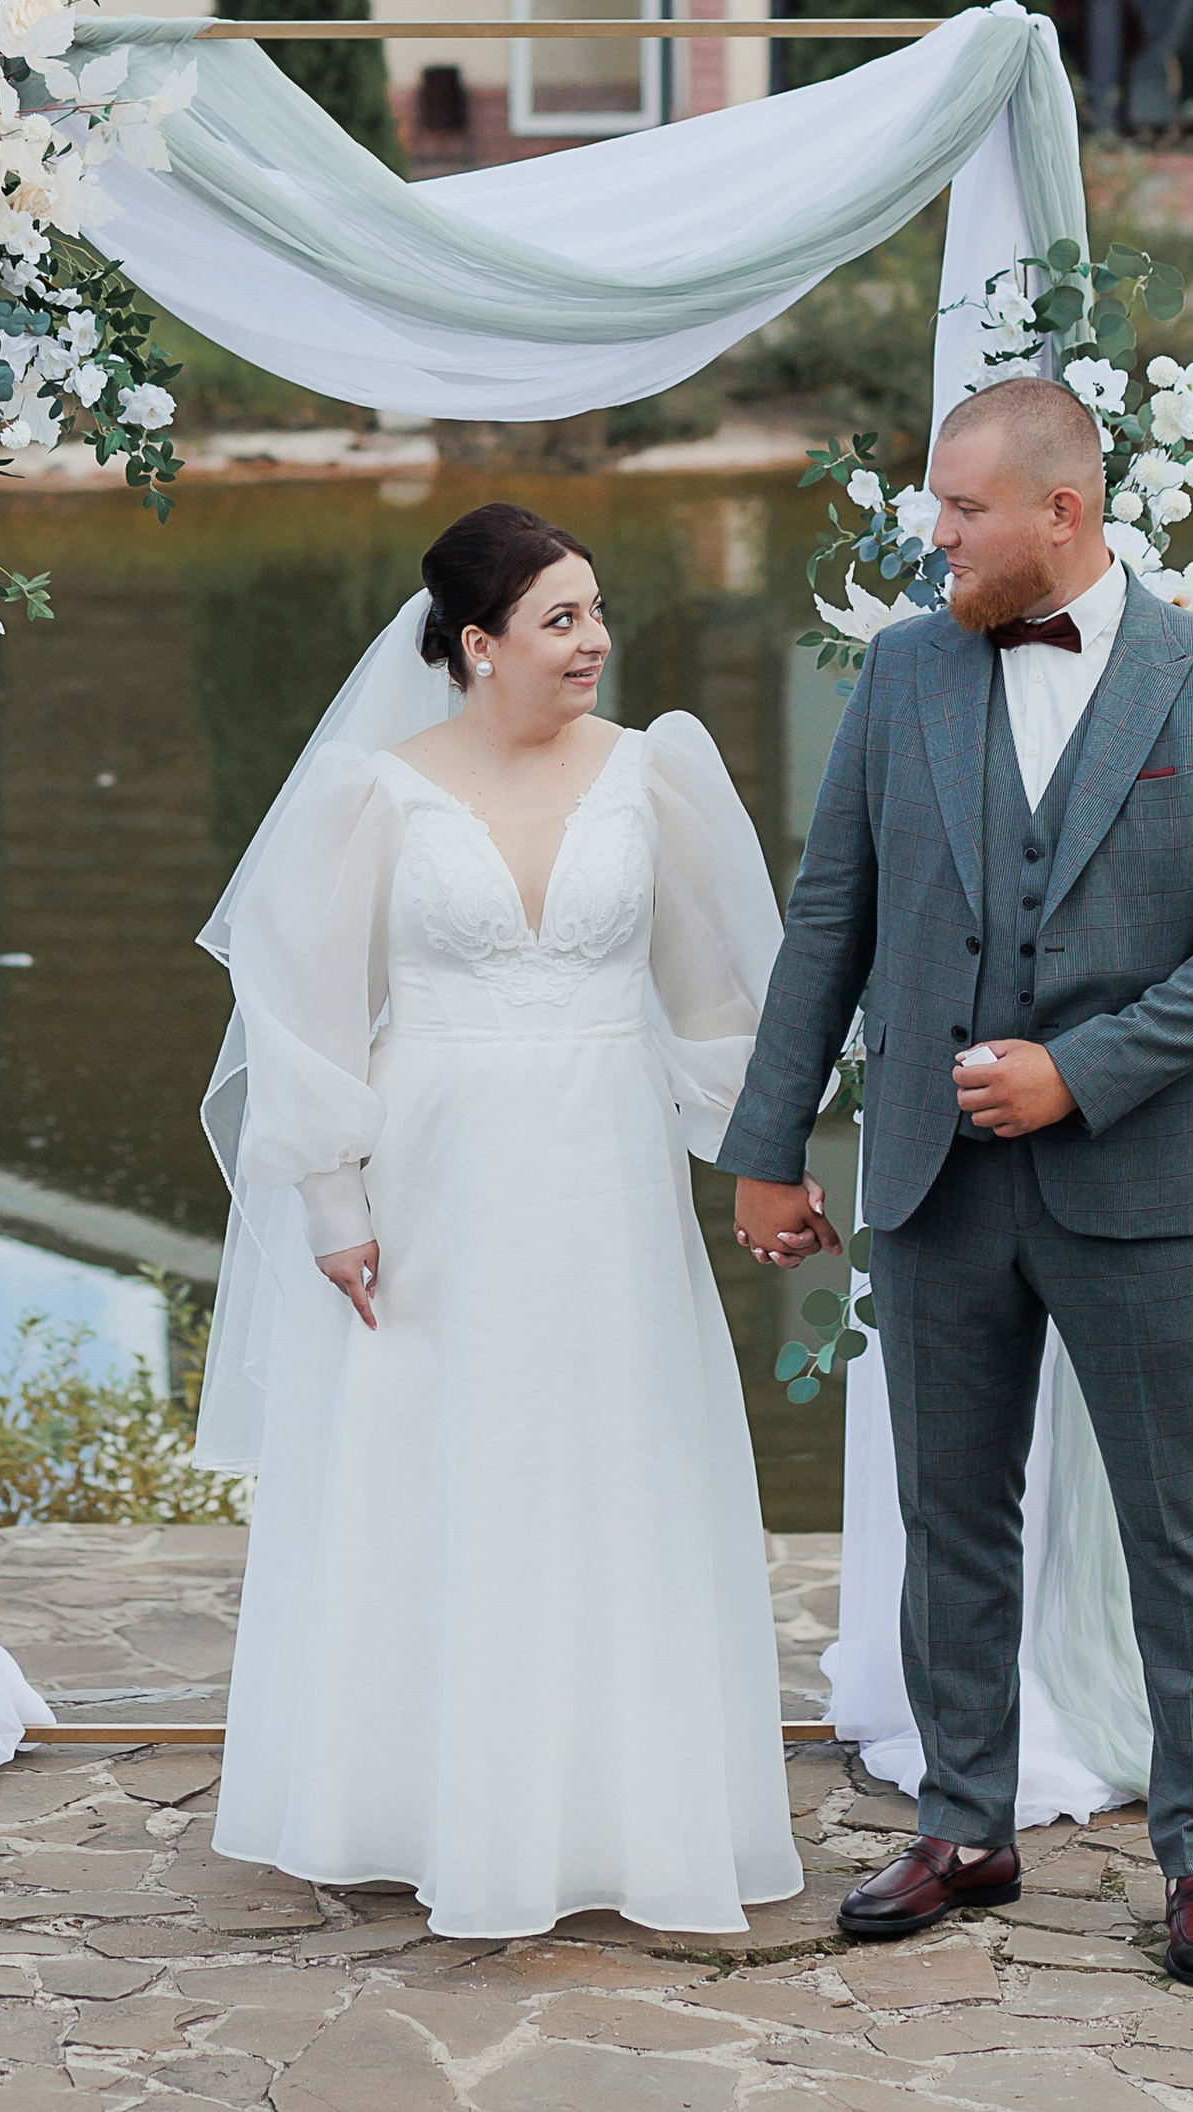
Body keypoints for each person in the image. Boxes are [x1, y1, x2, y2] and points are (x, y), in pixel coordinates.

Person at [718, 377, 1193, 1992]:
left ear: (1061, 513)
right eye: (936, 505)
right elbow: (828, 917)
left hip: (1154, 1180)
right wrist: (767, 1146)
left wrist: (1084, 1069)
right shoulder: (905, 674)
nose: (936, 536)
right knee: (948, 1516)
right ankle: (964, 1820)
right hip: (931, 1179)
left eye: (962, 510)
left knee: (1177, 1524)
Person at [194, 501, 803, 1941]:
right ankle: (423, 1805)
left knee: (607, 1452)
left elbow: (718, 992)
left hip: (605, 1166)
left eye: (596, 612)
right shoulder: (371, 795)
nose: (595, 642)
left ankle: (618, 1810)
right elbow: (306, 1009)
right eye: (561, 619)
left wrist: (758, 1161)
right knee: (440, 1462)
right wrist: (333, 1201)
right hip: (435, 1169)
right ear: (477, 646)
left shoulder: (659, 775)